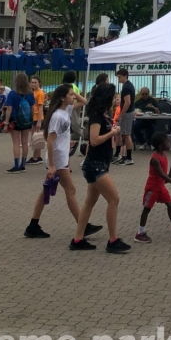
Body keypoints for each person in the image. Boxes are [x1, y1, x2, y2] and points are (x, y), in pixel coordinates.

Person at [24, 84, 104, 240]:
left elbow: (84, 102)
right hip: (58, 158)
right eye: (69, 95)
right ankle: (83, 224)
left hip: (61, 157)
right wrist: (52, 165)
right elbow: (50, 141)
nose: (73, 97)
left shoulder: (65, 110)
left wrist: (72, 91)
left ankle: (33, 224)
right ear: (62, 98)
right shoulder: (57, 117)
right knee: (71, 190)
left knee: (46, 191)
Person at [70, 82, 130, 253]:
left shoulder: (104, 116)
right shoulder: (96, 116)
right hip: (95, 165)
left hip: (100, 163)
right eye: (112, 97)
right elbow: (94, 140)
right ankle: (113, 240)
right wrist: (112, 133)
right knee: (114, 199)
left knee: (90, 202)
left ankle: (78, 238)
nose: (114, 101)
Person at [135, 133, 171, 243]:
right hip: (152, 188)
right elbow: (161, 175)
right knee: (147, 209)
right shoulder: (155, 159)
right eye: (167, 142)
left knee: (170, 204)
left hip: (161, 187)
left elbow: (164, 175)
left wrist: (168, 177)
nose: (170, 144)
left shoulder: (163, 154)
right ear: (160, 146)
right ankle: (140, 233)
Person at [4, 72, 35, 173]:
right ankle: (23, 164)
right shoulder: (30, 94)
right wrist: (31, 119)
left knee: (16, 143)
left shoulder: (13, 93)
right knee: (25, 142)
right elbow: (32, 108)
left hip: (15, 120)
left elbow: (9, 108)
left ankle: (16, 165)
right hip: (26, 121)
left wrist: (6, 122)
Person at [113, 68, 136, 165]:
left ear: (125, 76)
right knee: (122, 133)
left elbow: (127, 102)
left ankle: (129, 157)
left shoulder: (126, 87)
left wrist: (121, 115)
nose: (118, 79)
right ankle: (120, 154)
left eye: (119, 77)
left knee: (126, 134)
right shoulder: (128, 85)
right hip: (129, 112)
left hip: (127, 112)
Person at [27, 77, 46, 164]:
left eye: (35, 82)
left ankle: (35, 157)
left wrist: (39, 121)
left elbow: (41, 107)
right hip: (33, 116)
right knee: (36, 137)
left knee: (35, 137)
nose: (33, 84)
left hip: (37, 116)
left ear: (39, 83)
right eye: (32, 82)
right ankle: (38, 156)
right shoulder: (33, 92)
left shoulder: (40, 93)